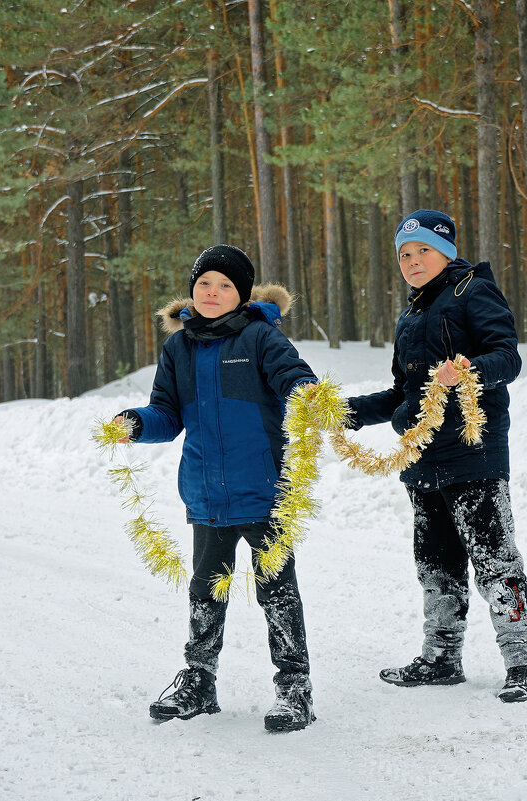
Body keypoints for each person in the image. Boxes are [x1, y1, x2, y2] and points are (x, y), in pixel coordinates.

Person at [112, 244, 319, 730]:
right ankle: (199, 682)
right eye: (204, 282)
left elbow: (294, 377)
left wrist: (306, 393)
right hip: (206, 495)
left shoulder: (260, 338)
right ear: (192, 289)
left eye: (225, 285)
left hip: (266, 491)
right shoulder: (177, 347)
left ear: (241, 295)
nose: (212, 291)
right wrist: (138, 423)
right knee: (206, 591)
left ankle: (294, 689)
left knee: (277, 592)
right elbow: (166, 411)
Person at [344, 209, 527, 703]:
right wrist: (344, 412)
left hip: (473, 452)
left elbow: (509, 357)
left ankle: (524, 666)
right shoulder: (410, 314)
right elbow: (402, 393)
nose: (412, 261)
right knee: (435, 563)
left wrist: (469, 370)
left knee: (495, 559)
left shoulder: (472, 291)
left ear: (447, 253)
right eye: (404, 254)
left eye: (423, 251)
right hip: (422, 458)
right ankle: (441, 658)